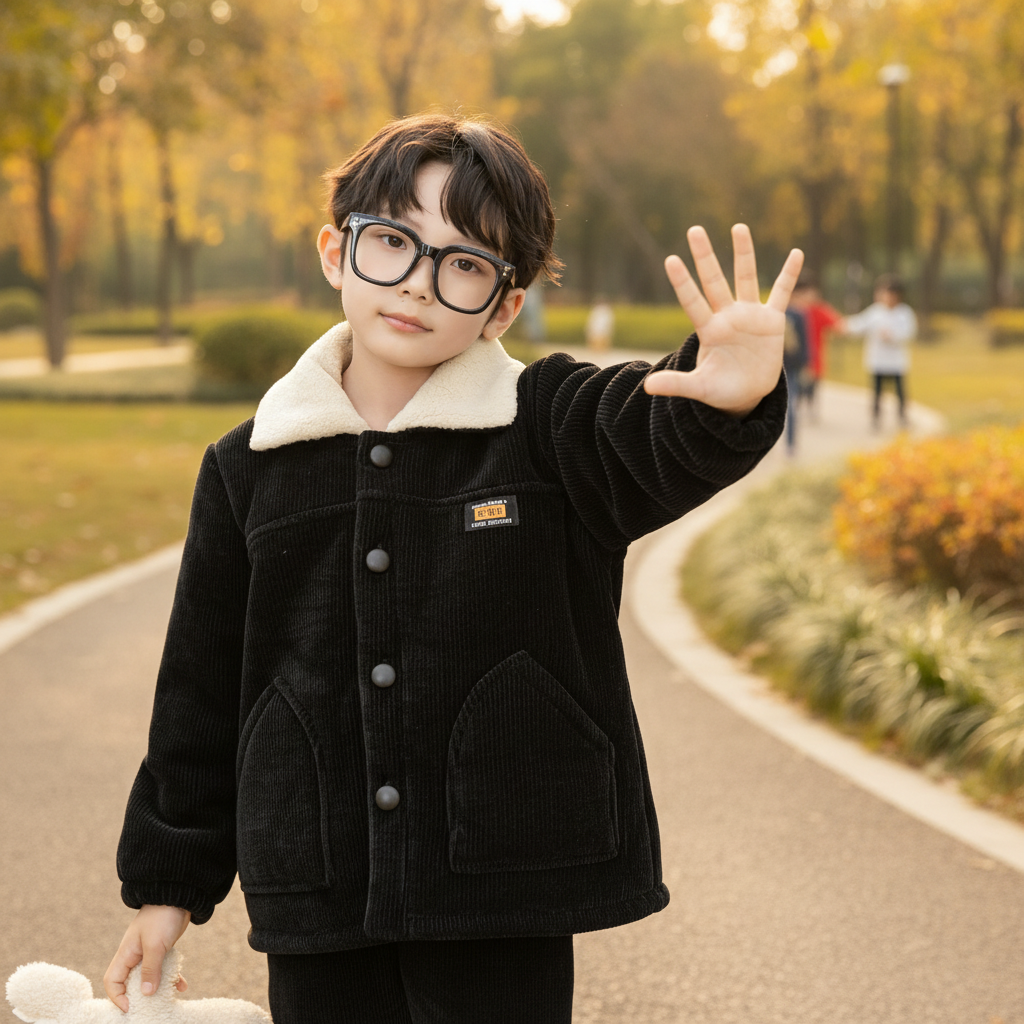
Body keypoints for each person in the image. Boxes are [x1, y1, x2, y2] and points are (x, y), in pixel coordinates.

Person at [104, 114, 803, 1024]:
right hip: (318, 879)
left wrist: (731, 394)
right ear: (335, 251)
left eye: (465, 263)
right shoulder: (250, 464)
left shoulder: (548, 423)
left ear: (504, 305)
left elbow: (652, 436)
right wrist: (167, 885)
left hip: (503, 876)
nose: (419, 285)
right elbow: (199, 688)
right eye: (393, 242)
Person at [841, 273, 917, 429]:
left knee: (900, 390)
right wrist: (842, 325)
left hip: (896, 360)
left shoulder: (905, 313)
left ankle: (902, 415)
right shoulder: (875, 312)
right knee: (876, 392)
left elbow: (909, 332)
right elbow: (859, 324)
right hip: (877, 359)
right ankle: (876, 417)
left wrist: (893, 336)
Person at [789, 274, 842, 421]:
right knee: (795, 388)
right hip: (794, 359)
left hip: (814, 356)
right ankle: (795, 410)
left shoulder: (818, 310)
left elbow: (838, 324)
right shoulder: (790, 311)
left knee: (812, 387)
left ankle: (810, 409)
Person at [783, 299, 809, 455]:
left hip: (791, 368)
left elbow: (804, 341)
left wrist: (805, 364)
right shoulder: (769, 314)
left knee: (791, 407)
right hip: (772, 369)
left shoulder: (797, 315)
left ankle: (790, 443)